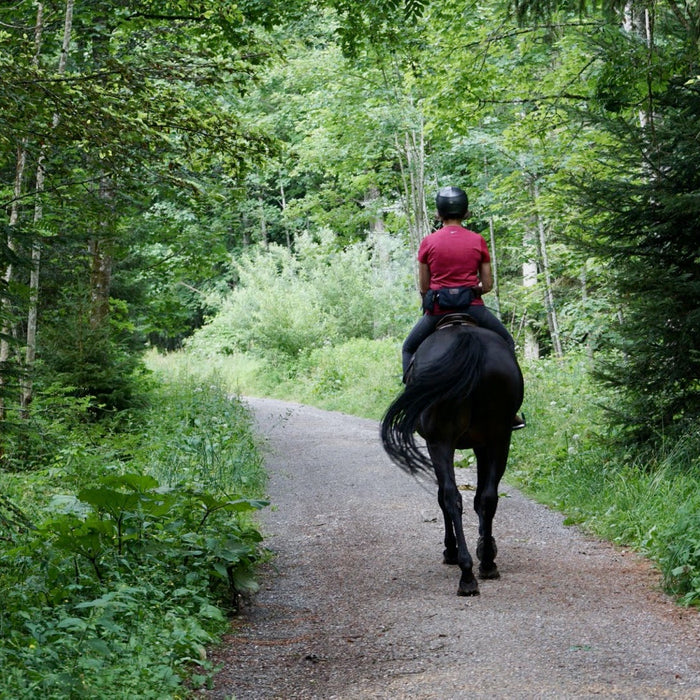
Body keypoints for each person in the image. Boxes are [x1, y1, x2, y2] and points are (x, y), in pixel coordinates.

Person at [402, 185, 525, 429]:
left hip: (438, 312)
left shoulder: (428, 242)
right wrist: (473, 289)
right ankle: (511, 411)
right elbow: (488, 284)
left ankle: (412, 407)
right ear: (466, 212)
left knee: (409, 347)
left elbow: (424, 286)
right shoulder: (477, 240)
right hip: (472, 307)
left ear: (439, 213)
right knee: (507, 343)